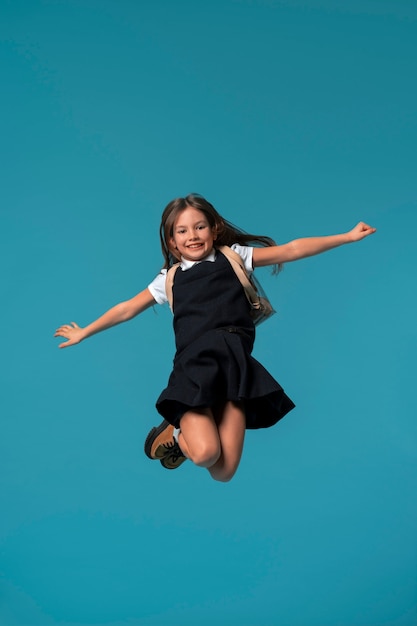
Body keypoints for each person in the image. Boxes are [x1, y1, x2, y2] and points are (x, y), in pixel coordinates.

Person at [55, 193, 376, 482]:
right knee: (206, 454)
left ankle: (184, 440)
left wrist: (347, 237)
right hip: (195, 370)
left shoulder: (234, 256)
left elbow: (291, 249)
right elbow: (127, 309)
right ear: (172, 243)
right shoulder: (169, 278)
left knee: (223, 473)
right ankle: (177, 435)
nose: (192, 236)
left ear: (214, 230)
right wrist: (85, 331)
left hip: (236, 371)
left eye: (199, 227)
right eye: (182, 231)